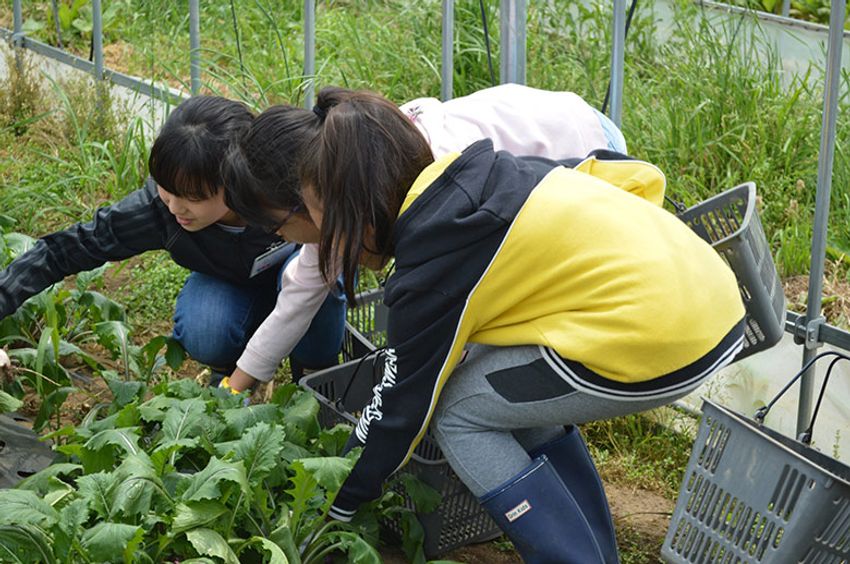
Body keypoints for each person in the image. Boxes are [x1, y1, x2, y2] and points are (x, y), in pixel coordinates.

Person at [291, 87, 745, 564]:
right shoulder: (482, 176)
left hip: (664, 335)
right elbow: (623, 172)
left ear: (356, 210)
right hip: (706, 292)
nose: (321, 238)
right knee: (497, 386)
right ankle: (595, 554)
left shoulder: (434, 254)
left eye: (321, 220)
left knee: (458, 414)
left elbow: (403, 406)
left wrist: (337, 506)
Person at [222, 85, 630, 393]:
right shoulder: (347, 179)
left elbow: (460, 284)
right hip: (542, 132)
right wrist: (235, 387)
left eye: (278, 227)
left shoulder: (432, 175)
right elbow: (299, 293)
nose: (282, 237)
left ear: (307, 203)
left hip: (583, 146)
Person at [0, 96, 345, 388]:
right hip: (232, 285)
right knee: (205, 328)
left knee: (322, 295)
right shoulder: (159, 210)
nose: (177, 207)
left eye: (193, 196)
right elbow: (64, 250)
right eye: (167, 188)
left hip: (304, 278)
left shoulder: (281, 197)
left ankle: (315, 379)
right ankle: (230, 372)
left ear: (236, 179)